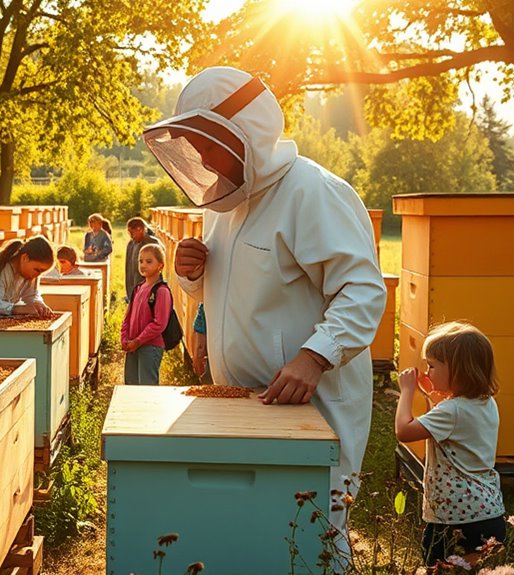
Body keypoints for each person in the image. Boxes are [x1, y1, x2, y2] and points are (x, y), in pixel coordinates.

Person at [147, 66, 386, 531]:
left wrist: (314, 358)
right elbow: (235, 289)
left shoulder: (314, 192)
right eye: (195, 145)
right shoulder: (224, 203)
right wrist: (190, 273)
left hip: (308, 411)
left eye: (209, 143)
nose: (203, 158)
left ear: (246, 132)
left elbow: (361, 290)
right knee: (252, 534)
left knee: (312, 536)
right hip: (239, 405)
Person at [395, 322, 504, 568]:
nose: (427, 371)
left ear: (458, 369)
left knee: (439, 570)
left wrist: (407, 392)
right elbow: (448, 424)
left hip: (454, 519)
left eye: (432, 366)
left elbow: (404, 431)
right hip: (488, 512)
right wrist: (432, 393)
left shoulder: (451, 411)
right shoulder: (485, 403)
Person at [120, 244, 171, 385]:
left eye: (149, 262)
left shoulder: (161, 291)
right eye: (140, 261)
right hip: (132, 345)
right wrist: (125, 338)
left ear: (160, 265)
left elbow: (159, 324)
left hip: (150, 346)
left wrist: (138, 341)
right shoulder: (138, 288)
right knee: (131, 384)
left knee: (146, 387)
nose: (143, 265)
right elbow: (128, 317)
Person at [124, 217, 160, 302]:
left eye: (132, 232)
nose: (131, 236)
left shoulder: (153, 243)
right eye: (129, 233)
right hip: (134, 285)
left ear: (140, 229)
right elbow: (128, 268)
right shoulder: (131, 244)